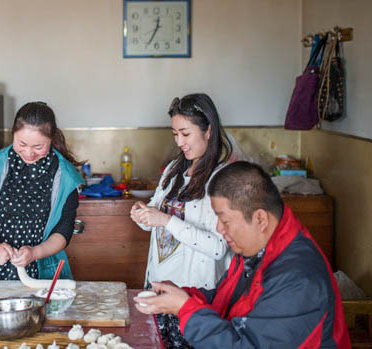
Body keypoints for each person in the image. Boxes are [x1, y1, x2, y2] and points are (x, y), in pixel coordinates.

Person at [134, 161, 350, 348]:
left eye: (225, 220)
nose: (219, 228)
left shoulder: (297, 278)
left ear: (260, 219)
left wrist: (185, 309)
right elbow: (224, 299)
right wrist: (183, 295)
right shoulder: (256, 249)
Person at [129, 93, 233, 348]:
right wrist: (143, 215)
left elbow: (218, 247)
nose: (179, 141)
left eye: (185, 134)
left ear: (208, 130)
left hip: (193, 295)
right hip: (160, 286)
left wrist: (165, 220)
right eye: (175, 134)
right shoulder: (175, 168)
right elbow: (157, 213)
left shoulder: (223, 177)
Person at [0, 102, 84, 280]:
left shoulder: (66, 176)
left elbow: (63, 231)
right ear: (13, 134)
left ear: (51, 139)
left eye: (38, 147)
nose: (29, 153)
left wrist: (35, 252)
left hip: (43, 274)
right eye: (22, 144)